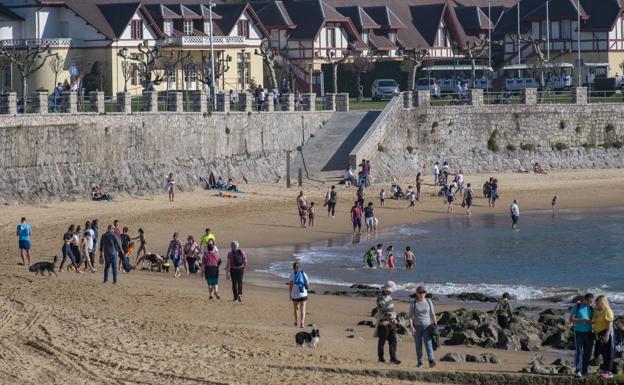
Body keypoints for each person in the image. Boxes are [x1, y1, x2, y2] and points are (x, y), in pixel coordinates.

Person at [409, 286, 437, 368]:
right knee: (418, 345)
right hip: (417, 326)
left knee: (428, 344)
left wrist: (435, 324)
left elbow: (432, 313)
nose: (422, 294)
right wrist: (411, 327)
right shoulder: (414, 303)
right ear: (417, 293)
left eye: (424, 292)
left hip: (427, 326)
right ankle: (420, 362)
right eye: (420, 293)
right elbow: (410, 316)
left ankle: (431, 361)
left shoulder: (429, 301)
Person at [569, 293, 594, 377]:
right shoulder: (577, 306)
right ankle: (578, 371)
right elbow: (571, 319)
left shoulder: (590, 308)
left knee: (588, 352)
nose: (590, 303)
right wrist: (581, 320)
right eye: (589, 301)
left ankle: (584, 371)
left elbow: (592, 320)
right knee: (579, 351)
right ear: (585, 299)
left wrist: (590, 321)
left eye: (591, 301)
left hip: (589, 332)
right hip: (578, 332)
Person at [376, 281, 400, 365]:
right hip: (384, 323)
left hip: (391, 322)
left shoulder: (389, 297)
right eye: (390, 290)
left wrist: (394, 319)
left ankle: (393, 358)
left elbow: (391, 310)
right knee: (382, 341)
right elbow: (382, 311)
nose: (391, 291)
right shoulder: (380, 298)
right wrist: (390, 318)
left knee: (393, 341)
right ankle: (381, 358)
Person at [593, 295, 615, 378]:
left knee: (608, 352)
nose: (598, 303)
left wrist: (607, 335)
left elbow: (610, 323)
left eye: (600, 302)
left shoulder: (608, 310)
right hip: (599, 333)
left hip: (607, 333)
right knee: (602, 352)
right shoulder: (596, 310)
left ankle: (609, 372)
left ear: (604, 302)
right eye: (597, 302)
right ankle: (605, 370)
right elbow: (594, 319)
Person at [289, 262, 309, 328]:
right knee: (303, 309)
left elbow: (291, 286)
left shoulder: (292, 275)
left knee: (296, 309)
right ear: (299, 267)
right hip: (303, 294)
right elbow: (307, 283)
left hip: (295, 295)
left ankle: (296, 322)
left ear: (293, 268)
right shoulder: (303, 273)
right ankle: (302, 323)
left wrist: (290, 295)